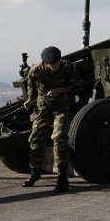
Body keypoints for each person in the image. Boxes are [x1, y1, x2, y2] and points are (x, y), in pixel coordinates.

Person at [21, 45, 85, 193]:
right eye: (51, 64)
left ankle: (62, 177)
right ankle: (35, 173)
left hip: (61, 108)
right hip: (43, 108)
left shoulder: (67, 67)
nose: (54, 67)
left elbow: (79, 84)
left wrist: (61, 90)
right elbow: (31, 87)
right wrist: (29, 100)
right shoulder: (35, 71)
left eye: (56, 63)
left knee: (59, 138)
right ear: (45, 63)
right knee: (36, 139)